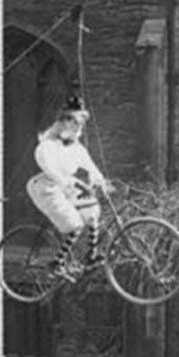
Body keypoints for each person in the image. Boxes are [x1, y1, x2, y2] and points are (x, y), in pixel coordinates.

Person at [26, 96, 111, 277]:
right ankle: (56, 263)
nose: (76, 128)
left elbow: (90, 166)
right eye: (72, 123)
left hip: (65, 187)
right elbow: (49, 169)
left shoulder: (77, 148)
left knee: (92, 211)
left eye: (79, 125)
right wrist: (69, 181)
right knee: (75, 225)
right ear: (62, 123)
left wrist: (100, 181)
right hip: (45, 188)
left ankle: (91, 255)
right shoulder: (47, 147)